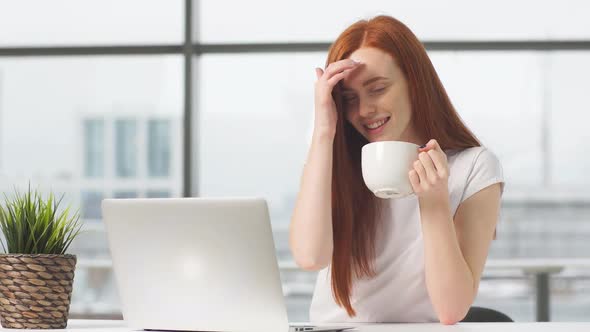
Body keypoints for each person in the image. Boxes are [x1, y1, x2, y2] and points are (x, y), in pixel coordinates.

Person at [289, 15, 505, 325]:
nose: (364, 111)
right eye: (349, 99)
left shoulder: (474, 166)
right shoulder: (334, 159)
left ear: (414, 83)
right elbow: (310, 257)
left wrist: (434, 203)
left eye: (377, 89)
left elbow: (450, 310)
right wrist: (324, 133)